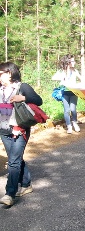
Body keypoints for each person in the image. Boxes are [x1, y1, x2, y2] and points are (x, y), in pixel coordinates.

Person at [0, 62, 43, 206]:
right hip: (4, 130)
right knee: (15, 159)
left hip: (20, 129)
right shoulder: (0, 89)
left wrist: (23, 98)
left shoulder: (22, 87)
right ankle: (26, 184)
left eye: (1, 73)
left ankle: (9, 194)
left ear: (10, 73)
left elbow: (38, 100)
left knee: (13, 161)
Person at [59, 54, 83, 134]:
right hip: (65, 93)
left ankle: (75, 123)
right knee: (66, 110)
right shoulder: (63, 71)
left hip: (74, 92)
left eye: (74, 61)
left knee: (73, 109)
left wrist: (80, 84)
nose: (74, 62)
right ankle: (69, 126)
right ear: (68, 62)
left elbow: (82, 79)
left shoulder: (75, 71)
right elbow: (58, 80)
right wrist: (62, 81)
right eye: (72, 61)